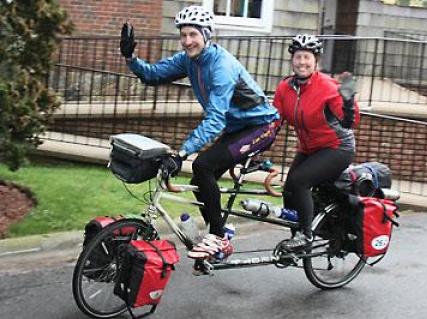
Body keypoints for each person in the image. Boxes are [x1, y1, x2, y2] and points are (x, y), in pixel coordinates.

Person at [120, 6, 279, 260]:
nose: (186, 41)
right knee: (199, 179)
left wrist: (182, 153)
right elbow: (153, 75)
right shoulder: (190, 60)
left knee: (203, 165)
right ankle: (222, 234)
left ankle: (216, 238)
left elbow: (215, 119)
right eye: (183, 35)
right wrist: (130, 58)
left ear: (206, 35)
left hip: (260, 127)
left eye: (193, 34)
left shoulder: (222, 67)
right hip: (237, 128)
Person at [272, 34, 360, 251]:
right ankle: (297, 239)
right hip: (309, 148)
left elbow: (350, 122)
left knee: (300, 181)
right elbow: (273, 121)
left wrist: (349, 101)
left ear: (316, 61)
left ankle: (306, 236)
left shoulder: (328, 87)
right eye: (298, 57)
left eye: (307, 57)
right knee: (289, 188)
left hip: (337, 147)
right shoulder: (285, 88)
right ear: (292, 60)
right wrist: (254, 145)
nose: (302, 62)